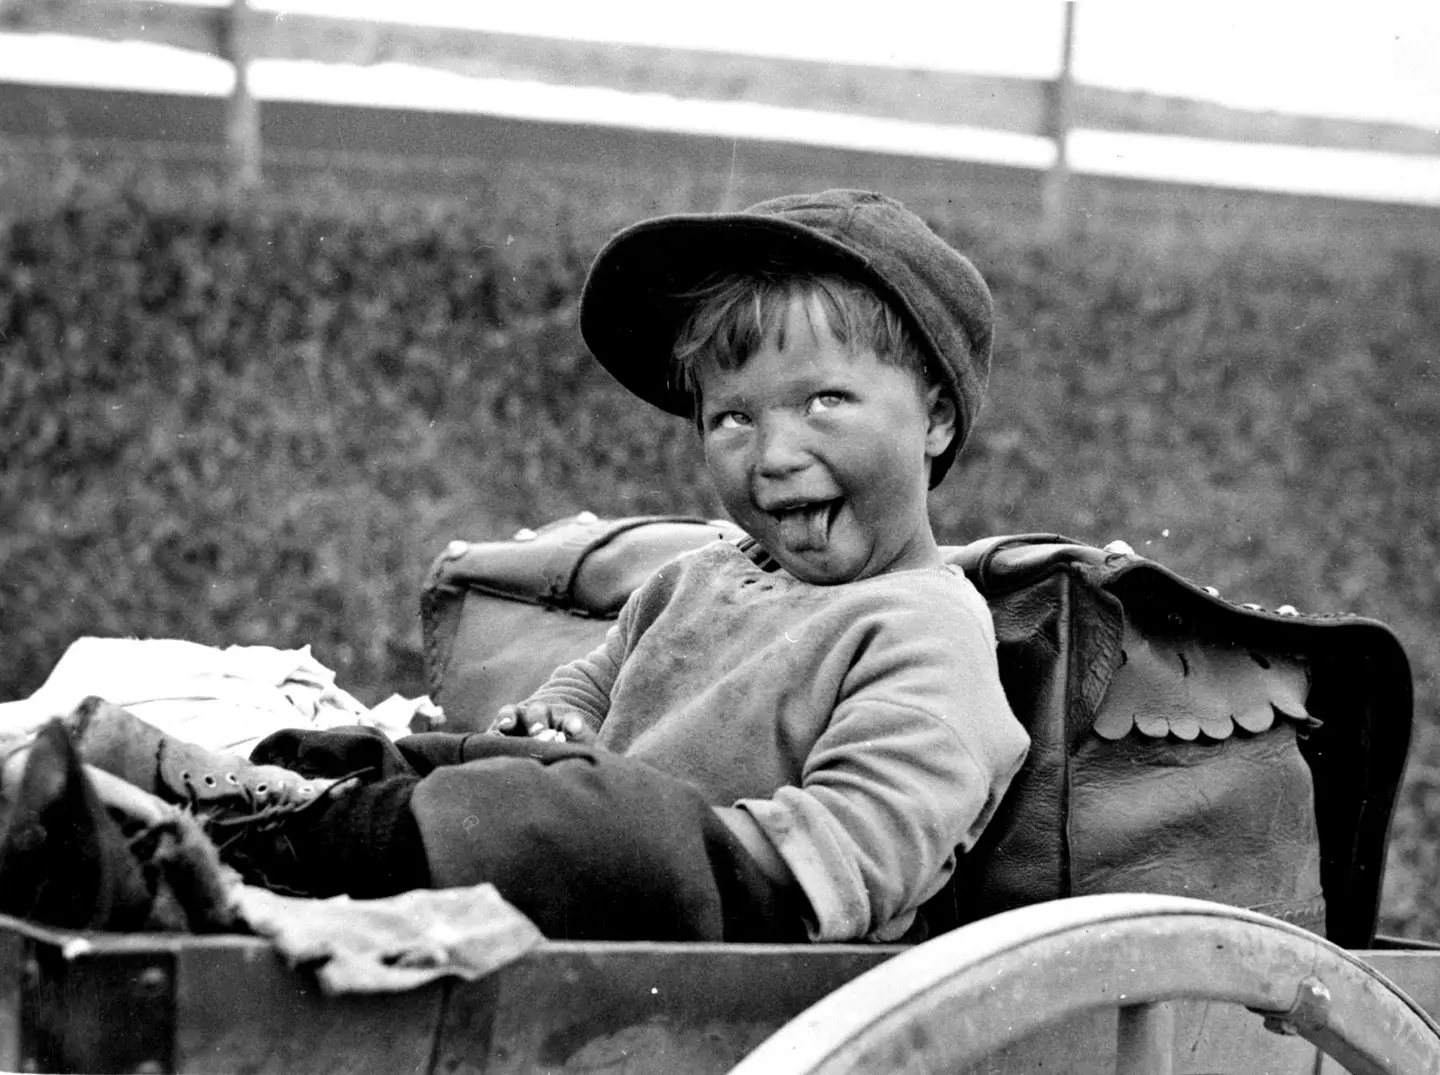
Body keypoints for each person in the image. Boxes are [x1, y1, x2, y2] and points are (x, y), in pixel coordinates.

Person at [13, 190, 1029, 944]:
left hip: (735, 919)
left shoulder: (925, 625)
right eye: (731, 416)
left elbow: (850, 856)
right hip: (584, 867)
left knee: (575, 812)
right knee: (419, 758)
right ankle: (242, 813)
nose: (770, 456)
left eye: (823, 403)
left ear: (935, 414)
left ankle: (282, 842)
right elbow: (598, 681)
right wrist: (561, 719)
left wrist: (608, 818)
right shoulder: (704, 577)